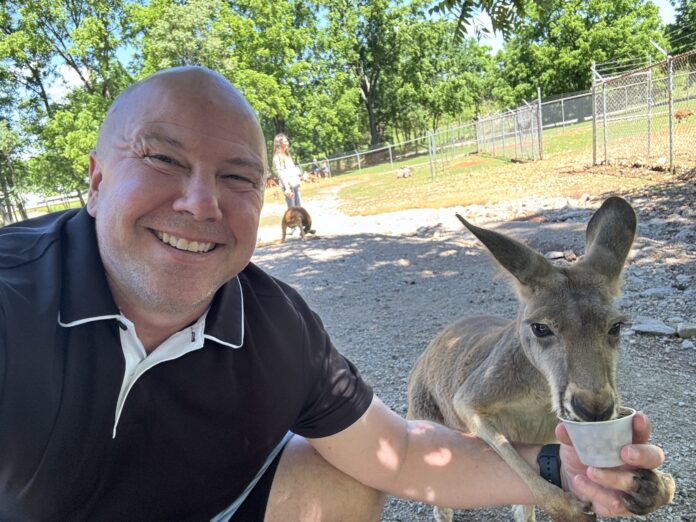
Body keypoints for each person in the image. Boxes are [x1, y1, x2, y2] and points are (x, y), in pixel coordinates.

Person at [0, 66, 671, 521]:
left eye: (237, 176)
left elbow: (402, 454)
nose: (200, 203)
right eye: (162, 159)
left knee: (346, 474)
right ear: (93, 179)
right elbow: (469, 402)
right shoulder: (16, 294)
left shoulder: (273, 325)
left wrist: (570, 468)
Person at [272, 132, 302, 208]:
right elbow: (280, 173)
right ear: (280, 144)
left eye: (287, 141)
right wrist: (287, 188)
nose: (287, 143)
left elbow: (292, 170)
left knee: (299, 208)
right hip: (288, 186)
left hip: (295, 184)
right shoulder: (277, 157)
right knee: (292, 210)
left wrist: (298, 180)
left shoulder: (287, 155)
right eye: (285, 142)